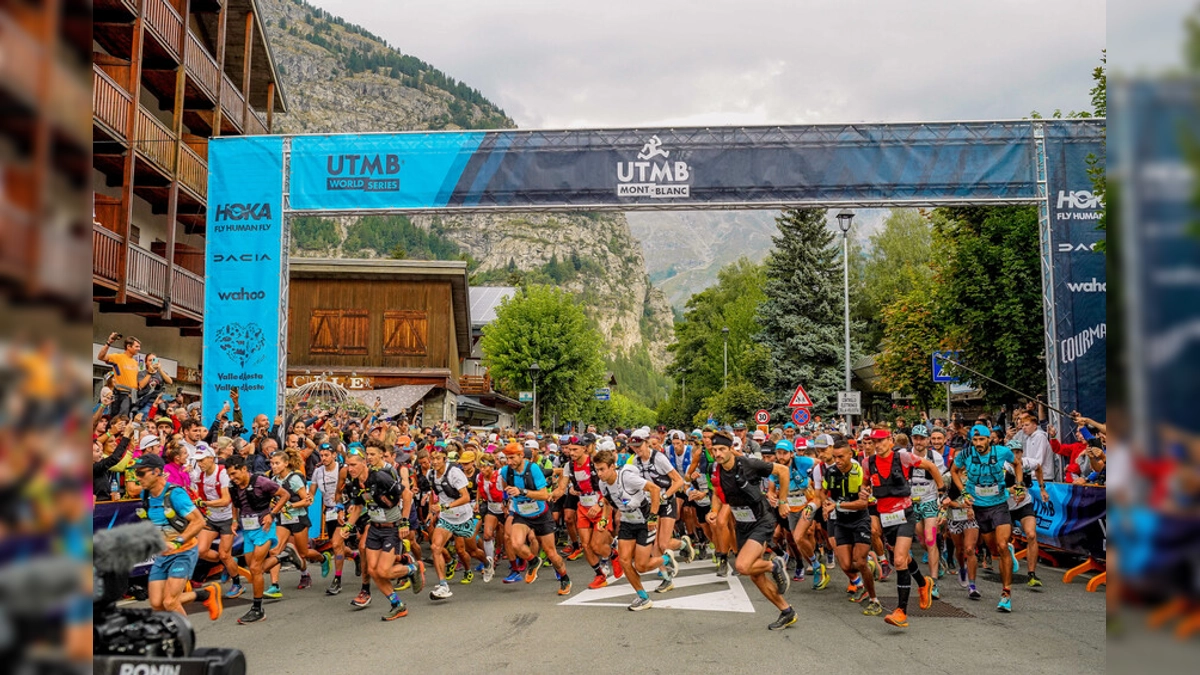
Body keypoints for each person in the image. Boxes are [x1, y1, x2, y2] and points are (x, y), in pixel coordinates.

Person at [707, 430, 797, 630]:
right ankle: (786, 611)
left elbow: (783, 471)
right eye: (714, 450)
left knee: (742, 566)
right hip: (742, 524)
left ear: (731, 449)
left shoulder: (748, 464)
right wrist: (714, 511)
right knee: (755, 575)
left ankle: (774, 566)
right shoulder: (717, 469)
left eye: (722, 449)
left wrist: (782, 501)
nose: (718, 454)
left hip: (761, 520)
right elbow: (716, 492)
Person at [864, 428, 944, 628]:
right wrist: (864, 492)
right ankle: (924, 583)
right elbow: (865, 485)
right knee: (905, 559)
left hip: (905, 514)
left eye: (881, 441)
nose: (877, 445)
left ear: (890, 441)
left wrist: (942, 492)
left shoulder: (904, 457)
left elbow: (932, 468)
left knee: (899, 560)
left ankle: (901, 611)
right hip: (886, 518)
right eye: (874, 441)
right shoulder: (868, 462)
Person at [133, 453, 223, 621]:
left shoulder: (175, 494)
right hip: (163, 555)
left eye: (140, 473)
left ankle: (185, 641)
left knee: (170, 602)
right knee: (156, 603)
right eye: (135, 473)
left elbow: (198, 521)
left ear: (156, 472)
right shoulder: (145, 495)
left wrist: (177, 541)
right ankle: (206, 594)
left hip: (183, 551)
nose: (137, 478)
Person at [344, 449, 424, 621]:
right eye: (348, 465)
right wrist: (348, 525)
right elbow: (358, 507)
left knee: (384, 571)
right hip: (374, 528)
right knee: (373, 571)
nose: (350, 469)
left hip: (391, 528)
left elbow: (407, 495)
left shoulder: (380, 477)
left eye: (353, 465)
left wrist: (404, 522)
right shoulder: (354, 483)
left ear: (364, 463)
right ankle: (398, 605)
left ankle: (412, 568)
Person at [595, 449, 677, 611]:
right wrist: (604, 518)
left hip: (644, 521)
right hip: (627, 521)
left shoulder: (627, 478)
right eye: (596, 469)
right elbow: (607, 501)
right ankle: (643, 597)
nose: (599, 473)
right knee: (624, 560)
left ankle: (666, 559)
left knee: (641, 566)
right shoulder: (602, 483)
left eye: (602, 469)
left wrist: (653, 516)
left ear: (612, 467)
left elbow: (654, 489)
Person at [951, 424, 1022, 612]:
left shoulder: (1002, 452)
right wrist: (964, 492)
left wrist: (1020, 486)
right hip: (979, 507)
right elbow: (954, 471)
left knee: (1000, 545)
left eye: (981, 439)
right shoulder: (966, 454)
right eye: (975, 440)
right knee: (993, 549)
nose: (978, 443)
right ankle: (1007, 550)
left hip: (999, 504)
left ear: (989, 439)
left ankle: (1006, 594)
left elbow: (1017, 464)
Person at [499, 443, 572, 595]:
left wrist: (522, 491)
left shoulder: (533, 469)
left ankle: (565, 578)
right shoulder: (506, 471)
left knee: (551, 554)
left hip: (541, 514)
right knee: (515, 544)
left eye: (512, 458)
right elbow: (505, 488)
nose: (509, 462)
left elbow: (545, 495)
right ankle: (533, 560)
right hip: (522, 513)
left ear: (521, 456)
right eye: (507, 458)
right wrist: (506, 501)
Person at [226, 455, 291, 624]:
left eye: (234, 474)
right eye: (230, 475)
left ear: (244, 469)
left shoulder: (261, 482)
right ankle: (283, 556)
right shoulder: (233, 486)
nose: (233, 478)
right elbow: (235, 504)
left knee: (255, 568)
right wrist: (234, 521)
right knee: (256, 569)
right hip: (247, 530)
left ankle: (257, 609)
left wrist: (272, 514)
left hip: (264, 528)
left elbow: (284, 495)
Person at [820, 437, 881, 615]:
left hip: (860, 519)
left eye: (841, 457)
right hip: (841, 521)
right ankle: (869, 566)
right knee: (846, 565)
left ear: (850, 455)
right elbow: (823, 493)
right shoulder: (830, 472)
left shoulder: (859, 472)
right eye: (835, 457)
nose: (837, 461)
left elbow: (863, 504)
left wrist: (836, 506)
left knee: (859, 561)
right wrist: (824, 505)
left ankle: (873, 599)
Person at [630, 428, 694, 591]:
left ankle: (683, 544)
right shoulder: (635, 462)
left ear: (646, 443)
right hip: (652, 504)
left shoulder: (659, 458)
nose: (637, 449)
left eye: (639, 446)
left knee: (664, 543)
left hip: (667, 501)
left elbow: (678, 481)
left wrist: (665, 496)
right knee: (654, 544)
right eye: (634, 446)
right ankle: (666, 578)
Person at [426, 447, 483, 600]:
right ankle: (443, 585)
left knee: (471, 551)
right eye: (433, 458)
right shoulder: (430, 474)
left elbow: (465, 497)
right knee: (435, 547)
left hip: (463, 516)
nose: (436, 462)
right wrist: (432, 511)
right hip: (446, 518)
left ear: (445, 459)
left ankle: (487, 563)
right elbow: (434, 492)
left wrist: (443, 507)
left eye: (439, 458)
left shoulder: (454, 473)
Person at [191, 444, 242, 599]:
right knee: (200, 550)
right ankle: (228, 564)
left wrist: (204, 504)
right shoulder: (199, 475)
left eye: (202, 460)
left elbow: (226, 500)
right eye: (197, 461)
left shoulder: (222, 473)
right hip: (211, 517)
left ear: (211, 458)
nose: (200, 464)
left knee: (224, 554)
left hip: (227, 517)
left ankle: (237, 583)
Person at [908, 424, 947, 598]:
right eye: (916, 438)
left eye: (922, 438)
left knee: (931, 539)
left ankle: (933, 582)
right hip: (912, 502)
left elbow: (942, 480)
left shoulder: (935, 457)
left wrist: (941, 504)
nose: (919, 441)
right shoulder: (904, 456)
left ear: (927, 440)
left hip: (930, 500)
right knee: (922, 540)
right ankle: (938, 559)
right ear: (912, 439)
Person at [311, 444, 348, 595]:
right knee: (337, 545)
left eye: (327, 455)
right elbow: (311, 492)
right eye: (321, 455)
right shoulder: (318, 471)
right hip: (330, 512)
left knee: (336, 543)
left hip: (344, 510)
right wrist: (305, 499)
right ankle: (354, 555)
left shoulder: (342, 469)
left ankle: (337, 580)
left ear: (334, 455)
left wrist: (344, 508)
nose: (324, 458)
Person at [97, 333, 141, 418]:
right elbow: (101, 357)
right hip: (121, 394)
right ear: (128, 346)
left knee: (129, 420)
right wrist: (109, 343)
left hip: (133, 395)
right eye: (137, 346)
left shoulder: (135, 362)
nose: (139, 349)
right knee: (119, 419)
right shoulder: (118, 357)